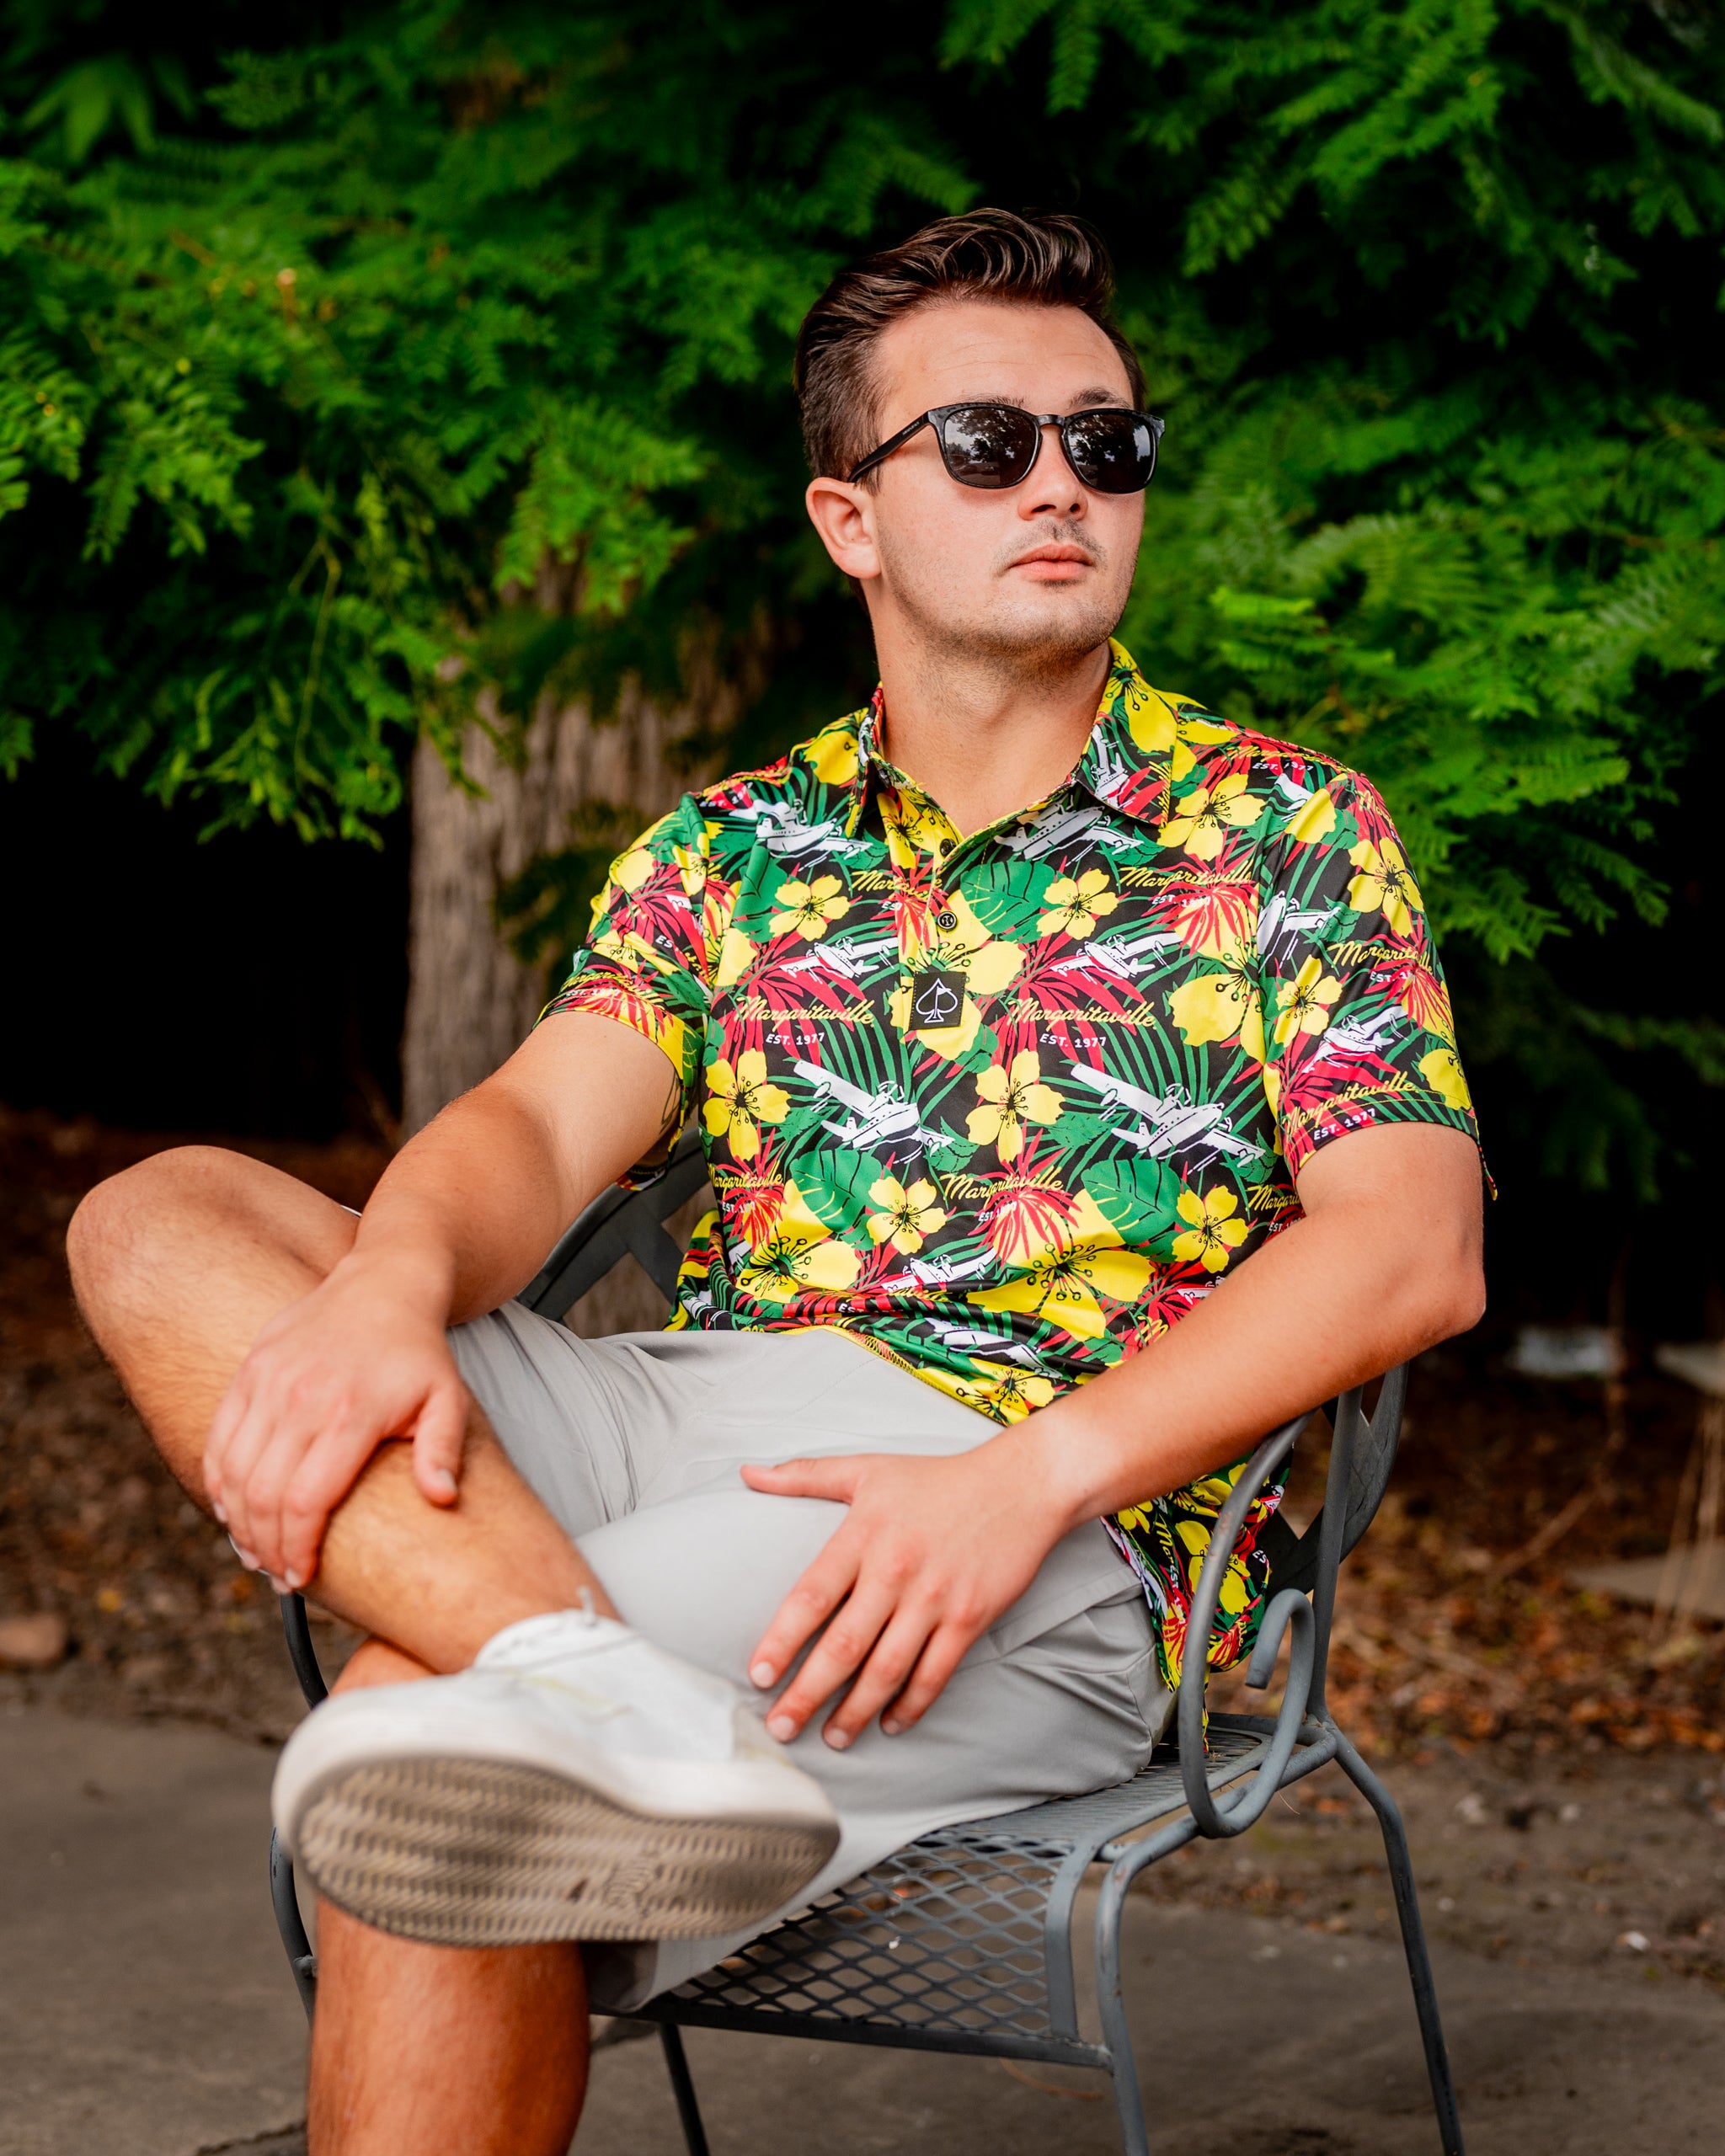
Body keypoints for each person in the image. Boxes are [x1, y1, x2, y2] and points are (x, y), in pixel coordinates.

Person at [67, 209, 1486, 2155]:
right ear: (851, 520)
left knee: (433, 1729)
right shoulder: (734, 849)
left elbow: (1414, 1247)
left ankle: (519, 1678)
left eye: (1106, 441)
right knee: (152, 1218)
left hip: (1024, 1496)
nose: (1060, 481)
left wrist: (1031, 1475)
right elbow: (529, 1132)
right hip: (676, 1410)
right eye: (987, 444)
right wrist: (394, 1281)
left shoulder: (1281, 827)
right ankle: (578, 1675)